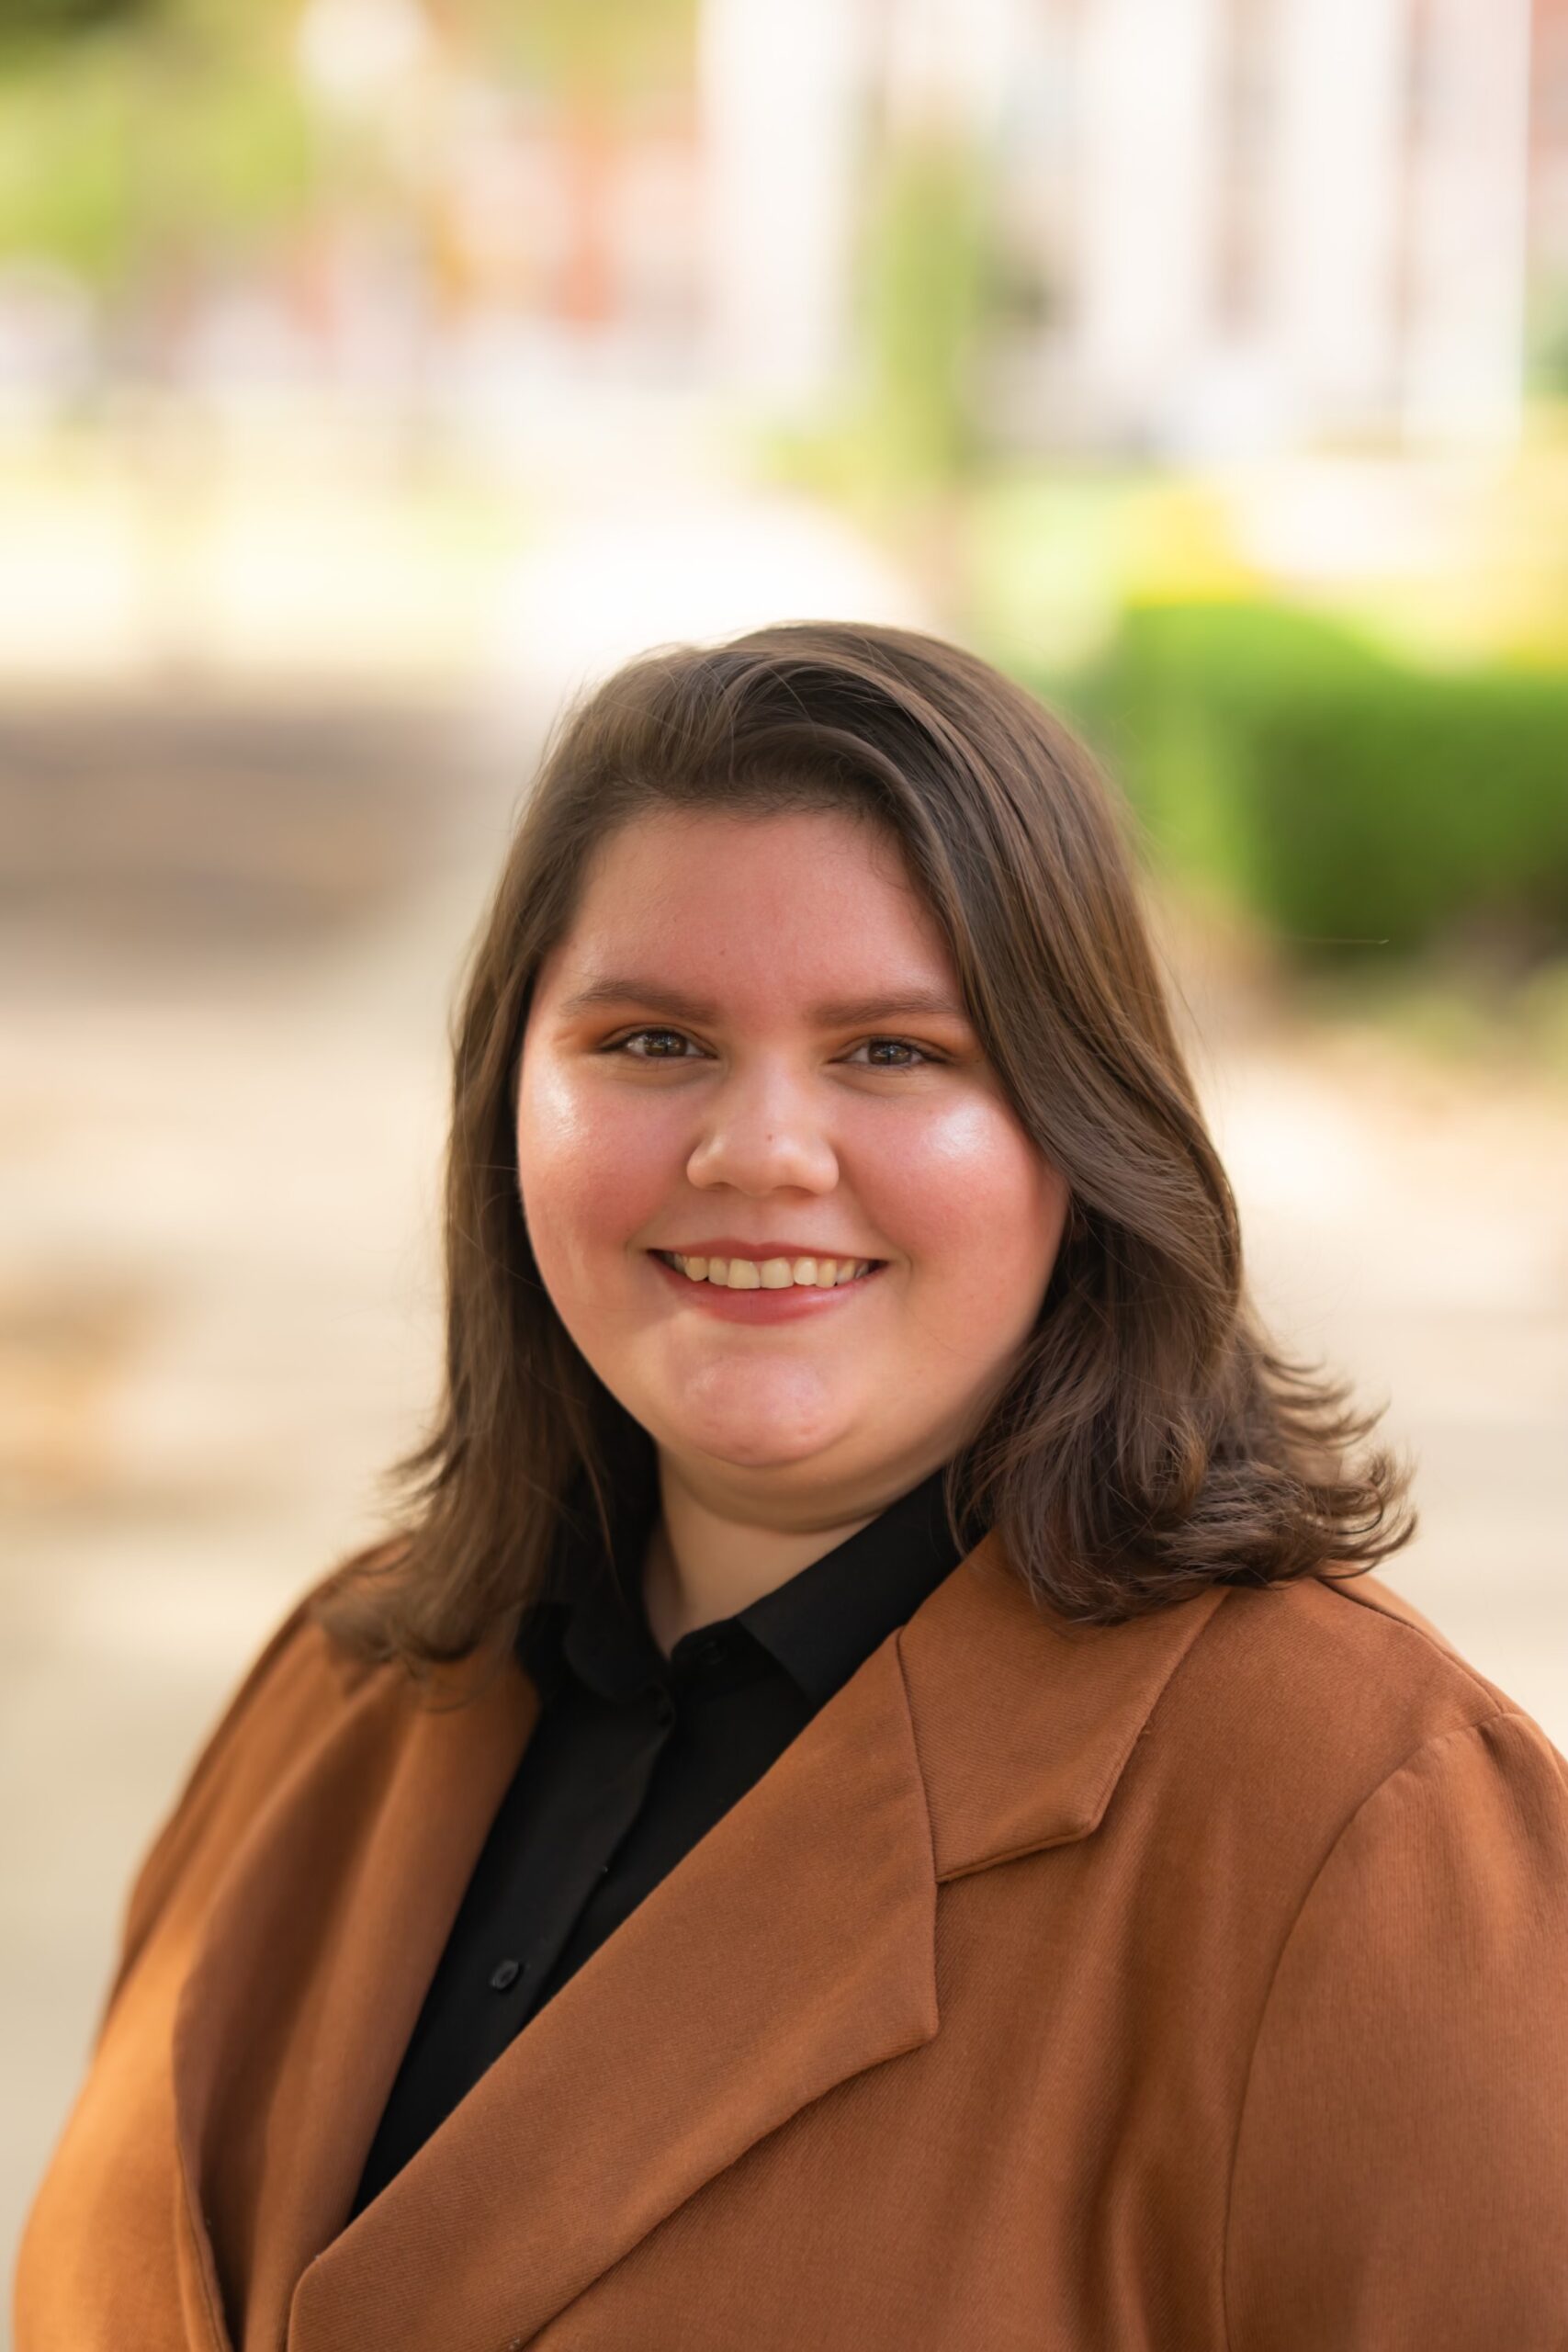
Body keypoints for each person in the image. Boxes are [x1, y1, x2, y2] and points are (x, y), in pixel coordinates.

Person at [14, 620, 1568, 2351]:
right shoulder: (343, 1683)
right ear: (508, 1107)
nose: (757, 1152)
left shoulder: (1367, 1826)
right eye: (652, 1041)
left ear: (1082, 1128)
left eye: (895, 1052)